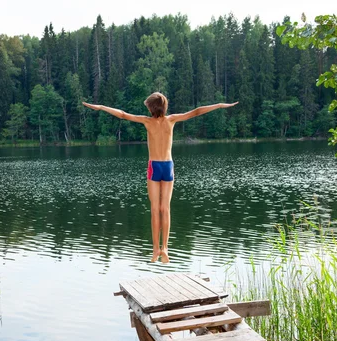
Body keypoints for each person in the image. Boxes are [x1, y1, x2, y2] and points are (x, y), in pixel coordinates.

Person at [83, 93, 237, 263]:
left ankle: (156, 249)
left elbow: (122, 114)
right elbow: (196, 112)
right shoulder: (171, 120)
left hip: (154, 167)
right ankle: (165, 248)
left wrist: (101, 107)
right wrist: (220, 105)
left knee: (155, 209)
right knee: (166, 209)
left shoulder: (147, 121)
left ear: (151, 107)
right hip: (168, 166)